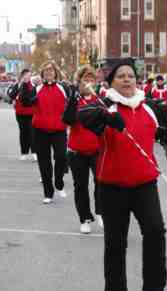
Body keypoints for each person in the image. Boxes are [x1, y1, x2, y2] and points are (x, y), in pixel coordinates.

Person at [78, 59, 167, 291]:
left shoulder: (149, 107)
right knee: (115, 245)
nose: (127, 80)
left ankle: (155, 290)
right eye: (121, 76)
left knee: (155, 231)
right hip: (112, 186)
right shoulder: (103, 104)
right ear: (111, 82)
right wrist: (107, 116)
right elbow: (81, 117)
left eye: (131, 75)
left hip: (144, 184)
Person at [19, 60, 69, 204]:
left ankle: (59, 182)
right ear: (42, 74)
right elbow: (25, 101)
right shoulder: (37, 88)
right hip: (40, 130)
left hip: (59, 130)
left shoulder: (63, 87)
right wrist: (26, 83)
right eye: (46, 70)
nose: (48, 72)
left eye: (51, 70)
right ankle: (48, 193)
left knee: (61, 157)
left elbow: (72, 102)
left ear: (55, 73)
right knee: (44, 162)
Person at [63, 65, 103, 233]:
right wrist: (72, 99)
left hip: (98, 150)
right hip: (77, 151)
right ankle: (85, 218)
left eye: (91, 79)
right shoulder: (74, 99)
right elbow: (68, 120)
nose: (88, 82)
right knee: (80, 186)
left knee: (101, 184)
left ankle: (101, 212)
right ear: (79, 82)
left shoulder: (100, 100)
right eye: (85, 79)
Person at [7, 69, 37, 161]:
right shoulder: (18, 85)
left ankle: (34, 152)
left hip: (32, 113)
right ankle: (24, 152)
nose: (27, 77)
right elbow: (11, 95)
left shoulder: (33, 86)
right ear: (22, 76)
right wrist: (17, 87)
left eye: (29, 75)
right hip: (20, 113)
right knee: (23, 133)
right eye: (26, 75)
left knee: (32, 133)